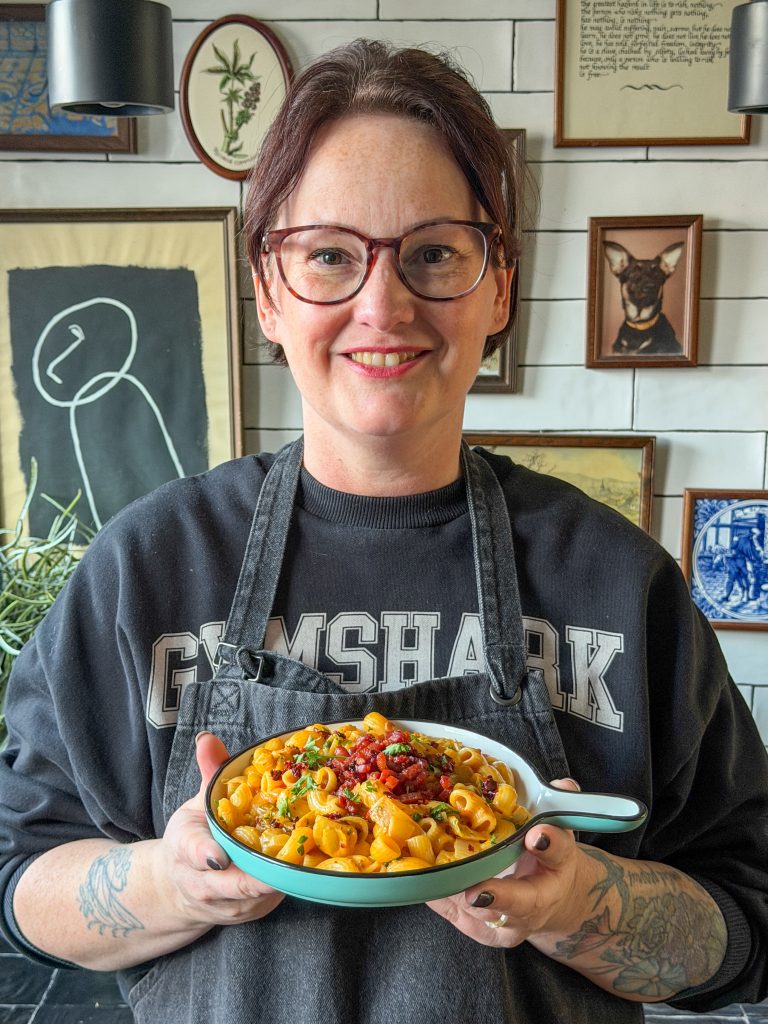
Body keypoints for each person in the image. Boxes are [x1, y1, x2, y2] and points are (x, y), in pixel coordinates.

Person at [1, 39, 767, 1024]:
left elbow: (744, 925)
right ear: (268, 291)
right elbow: (22, 882)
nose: (383, 303)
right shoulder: (147, 567)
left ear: (499, 286)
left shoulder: (619, 581)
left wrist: (582, 902)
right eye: (329, 254)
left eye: (434, 253)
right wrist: (173, 883)